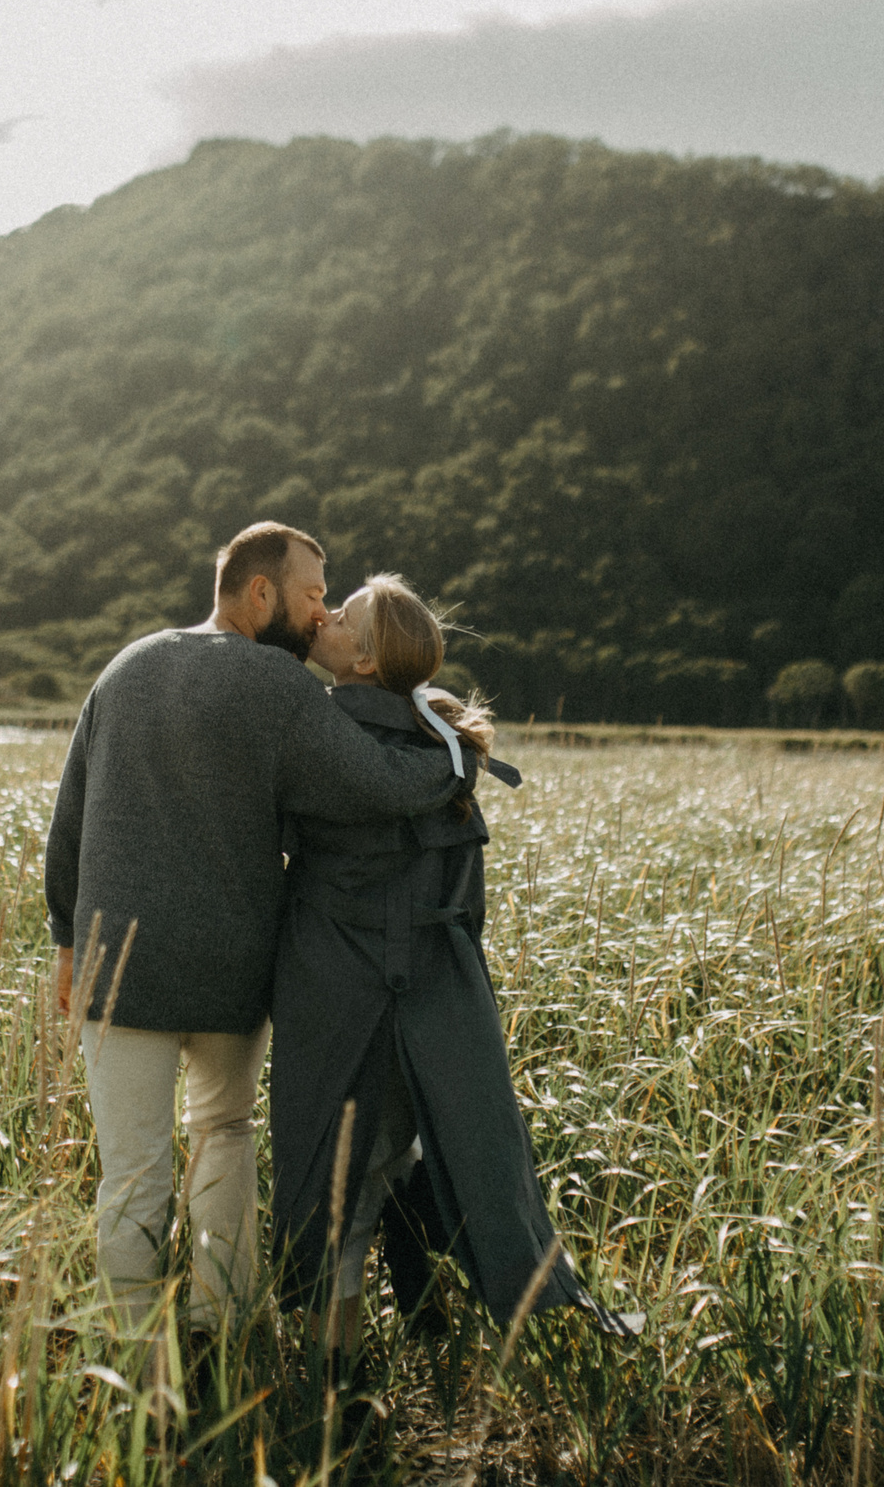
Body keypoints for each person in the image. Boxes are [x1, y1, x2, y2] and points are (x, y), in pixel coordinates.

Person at [43, 523, 464, 1359]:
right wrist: (454, 755)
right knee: (224, 1132)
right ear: (261, 593)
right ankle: (222, 1327)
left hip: (117, 968)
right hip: (232, 975)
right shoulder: (279, 686)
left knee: (131, 1172)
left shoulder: (124, 665)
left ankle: (134, 1356)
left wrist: (66, 940)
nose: (320, 616)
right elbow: (374, 784)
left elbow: (70, 816)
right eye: (313, 595)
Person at [270, 573, 621, 1379]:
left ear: (363, 657)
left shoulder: (320, 736)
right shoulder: (446, 747)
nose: (321, 614)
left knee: (335, 1182)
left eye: (341, 612)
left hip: (339, 997)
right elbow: (466, 906)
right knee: (400, 1147)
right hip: (437, 996)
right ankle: (420, 1263)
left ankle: (342, 1378)